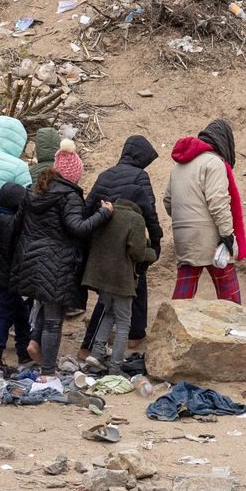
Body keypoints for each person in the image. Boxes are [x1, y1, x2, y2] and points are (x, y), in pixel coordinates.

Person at [12, 161, 107, 371]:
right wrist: (103, 214)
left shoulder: (32, 192)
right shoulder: (69, 196)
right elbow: (78, 228)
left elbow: (17, 226)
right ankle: (47, 370)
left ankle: (35, 343)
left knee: (48, 304)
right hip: (57, 262)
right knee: (54, 320)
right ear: (72, 176)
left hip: (30, 259)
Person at [77, 136, 162, 360]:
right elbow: (149, 210)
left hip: (103, 243)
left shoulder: (105, 174)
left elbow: (87, 208)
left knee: (109, 293)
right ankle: (128, 337)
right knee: (130, 285)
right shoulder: (139, 176)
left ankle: (93, 345)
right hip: (129, 241)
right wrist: (156, 240)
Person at [166, 120, 246, 304]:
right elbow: (218, 203)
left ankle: (173, 324)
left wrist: (186, 219)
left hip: (183, 235)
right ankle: (236, 326)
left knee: (184, 292)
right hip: (210, 236)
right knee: (228, 288)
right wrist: (227, 234)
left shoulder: (178, 166)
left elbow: (168, 201)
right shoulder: (214, 163)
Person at [80, 196, 155, 373]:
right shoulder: (136, 219)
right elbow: (137, 252)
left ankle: (96, 355)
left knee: (108, 314)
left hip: (100, 276)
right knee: (123, 322)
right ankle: (115, 365)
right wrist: (151, 253)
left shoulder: (108, 212)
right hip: (121, 279)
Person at [0, 182, 29, 374]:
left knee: (20, 312)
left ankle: (24, 351)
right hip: (11, 277)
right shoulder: (15, 224)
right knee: (5, 314)